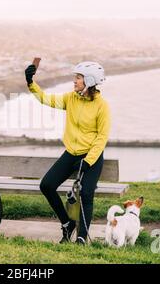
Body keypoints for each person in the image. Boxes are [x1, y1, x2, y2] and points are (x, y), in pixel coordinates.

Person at [25, 61, 111, 245]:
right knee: (46, 185)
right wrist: (30, 82)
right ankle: (67, 223)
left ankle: (81, 237)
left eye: (78, 78)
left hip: (91, 157)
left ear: (88, 81)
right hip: (71, 153)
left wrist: (87, 161)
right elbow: (45, 99)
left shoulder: (102, 106)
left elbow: (102, 138)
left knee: (86, 194)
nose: (74, 81)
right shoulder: (70, 98)